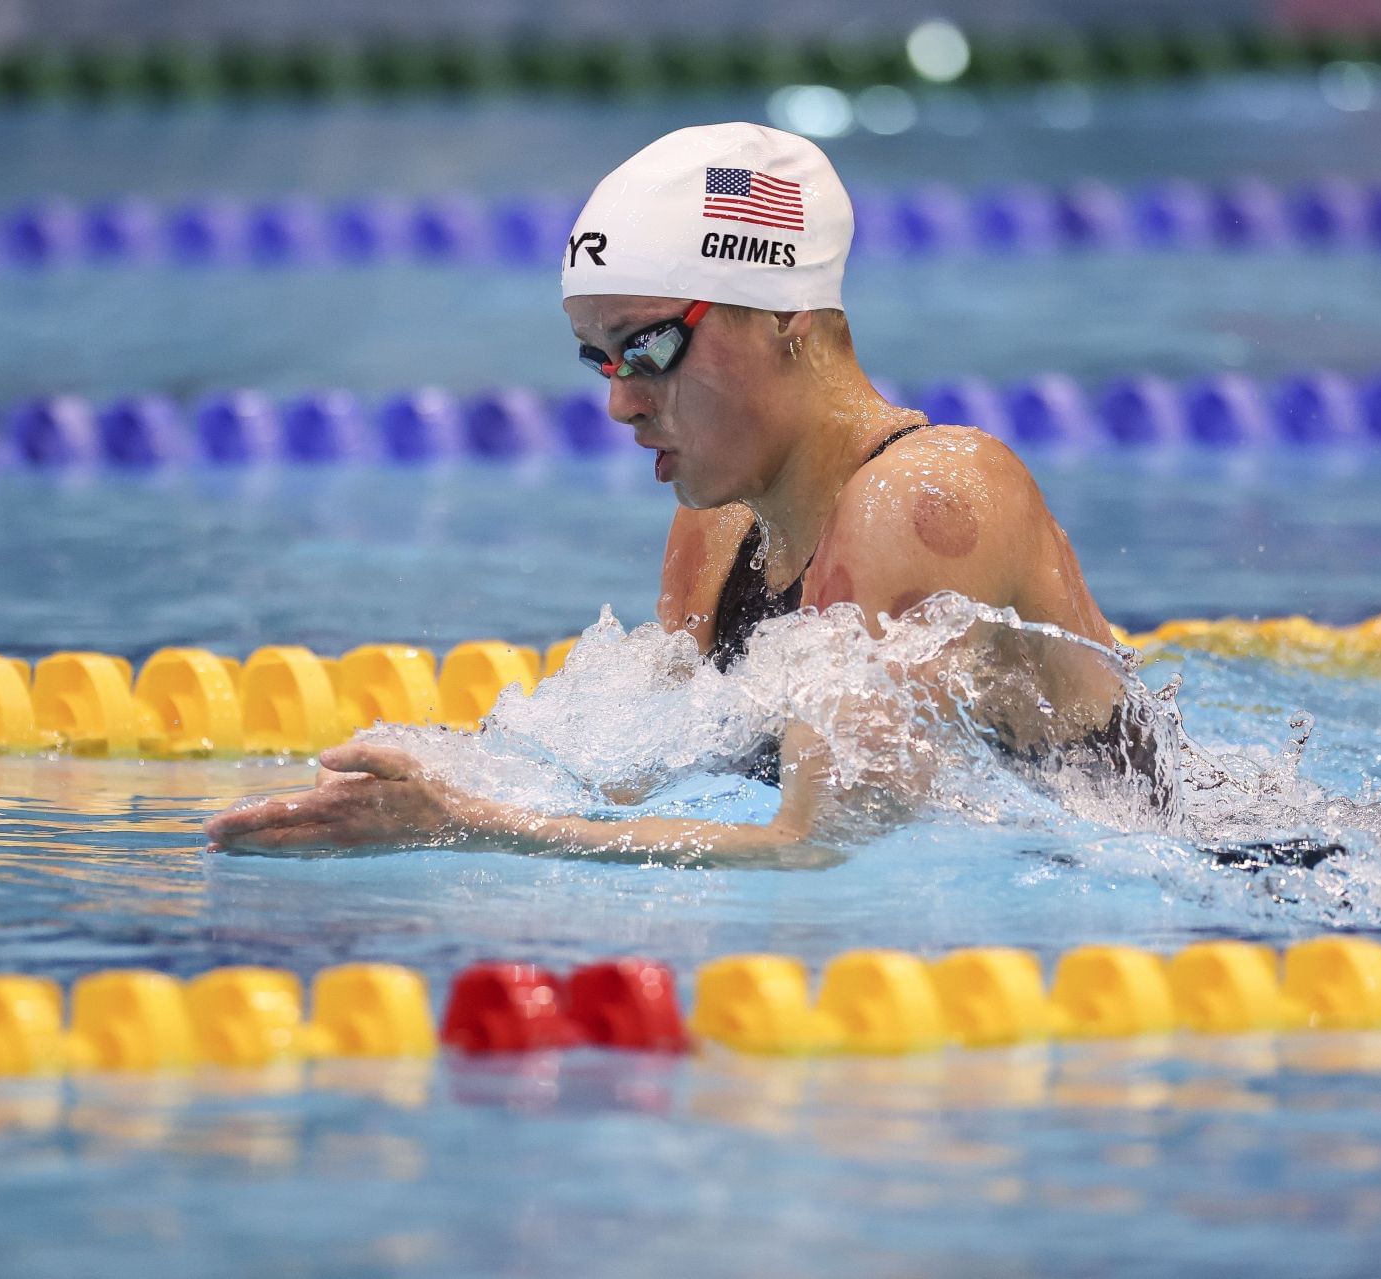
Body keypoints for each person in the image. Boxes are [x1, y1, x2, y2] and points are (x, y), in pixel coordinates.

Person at [206, 122, 1159, 861]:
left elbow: (822, 849)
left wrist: (468, 823)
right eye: (599, 359)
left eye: (650, 348)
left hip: (1173, 891)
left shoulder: (929, 499)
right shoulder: (719, 526)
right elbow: (647, 779)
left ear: (787, 314)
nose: (620, 402)